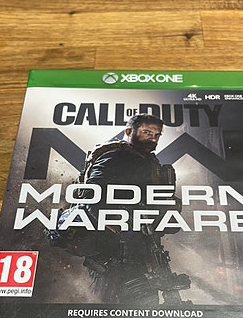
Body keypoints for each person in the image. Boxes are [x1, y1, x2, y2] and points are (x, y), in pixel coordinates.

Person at [56, 113, 190, 305]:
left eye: (157, 135)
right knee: (111, 310)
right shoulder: (115, 156)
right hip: (114, 255)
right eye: (147, 132)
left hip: (140, 252)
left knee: (145, 309)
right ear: (128, 132)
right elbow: (91, 197)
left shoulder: (146, 161)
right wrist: (119, 232)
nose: (153, 138)